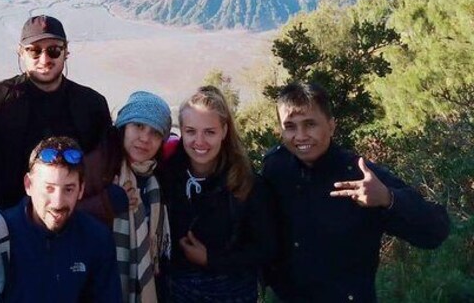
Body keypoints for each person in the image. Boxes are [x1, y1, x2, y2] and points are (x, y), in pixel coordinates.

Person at [263, 81, 450, 302]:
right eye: (290, 126)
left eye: (310, 124)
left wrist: (388, 199)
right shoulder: (276, 167)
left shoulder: (361, 175)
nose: (301, 136)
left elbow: (435, 232)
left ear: (331, 126)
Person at [0, 136, 123, 302]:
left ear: (81, 190)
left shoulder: (96, 238)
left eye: (68, 189)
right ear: (29, 185)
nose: (57, 202)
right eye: (48, 188)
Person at [0, 14, 117, 222]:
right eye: (34, 51)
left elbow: (105, 164)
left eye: (53, 51)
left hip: (71, 221)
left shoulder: (91, 105)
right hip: (7, 222)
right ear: (21, 52)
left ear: (66, 52)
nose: (44, 60)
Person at [162, 86, 276, 302]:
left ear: (224, 130)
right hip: (174, 291)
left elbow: (266, 247)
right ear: (181, 130)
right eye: (191, 131)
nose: (200, 141)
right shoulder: (166, 172)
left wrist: (211, 259)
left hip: (232, 293)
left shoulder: (246, 182)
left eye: (210, 132)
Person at [111, 91, 173, 303]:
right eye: (138, 126)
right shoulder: (102, 173)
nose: (145, 138)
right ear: (123, 126)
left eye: (155, 132)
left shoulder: (160, 181)